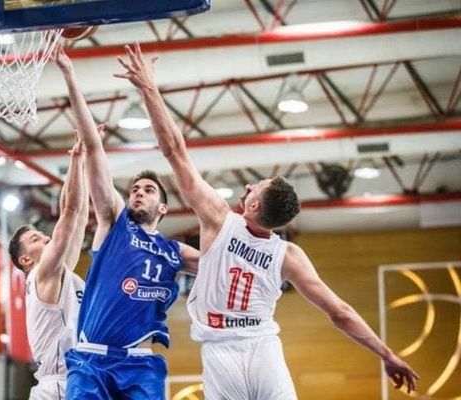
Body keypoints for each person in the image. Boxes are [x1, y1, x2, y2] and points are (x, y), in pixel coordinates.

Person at [115, 42, 420, 399]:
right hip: (263, 349)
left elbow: (174, 151)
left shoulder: (218, 219)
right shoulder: (288, 255)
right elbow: (340, 312)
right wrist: (386, 354)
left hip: (220, 352)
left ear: (255, 203)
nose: (247, 186)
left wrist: (149, 89)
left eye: (254, 186)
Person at [53, 45, 200, 399]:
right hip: (91, 359)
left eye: (148, 190)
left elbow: (220, 261)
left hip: (140, 363)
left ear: (163, 208)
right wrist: (70, 76)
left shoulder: (174, 251)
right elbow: (94, 148)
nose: (138, 193)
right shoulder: (115, 224)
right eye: (135, 189)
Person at [8, 134, 88, 400]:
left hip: (74, 381)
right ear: (26, 260)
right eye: (35, 239)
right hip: (58, 387)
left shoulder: (61, 274)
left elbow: (80, 216)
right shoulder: (42, 274)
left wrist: (86, 163)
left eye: (42, 234)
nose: (45, 237)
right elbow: (70, 210)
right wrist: (77, 158)